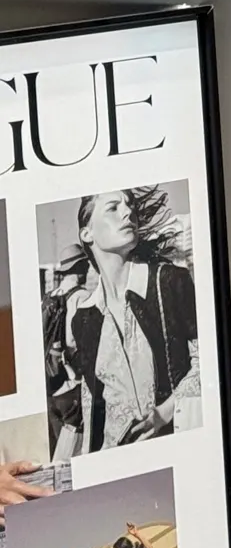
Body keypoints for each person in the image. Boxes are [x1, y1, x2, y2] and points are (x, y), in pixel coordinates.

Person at [58, 188, 201, 452]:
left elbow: (207, 362)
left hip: (174, 447)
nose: (128, 212)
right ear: (87, 233)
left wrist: (164, 413)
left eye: (130, 204)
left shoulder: (169, 281)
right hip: (115, 456)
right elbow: (92, 402)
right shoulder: (83, 316)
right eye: (113, 208)